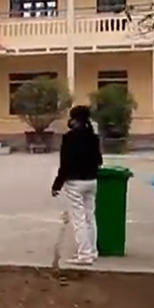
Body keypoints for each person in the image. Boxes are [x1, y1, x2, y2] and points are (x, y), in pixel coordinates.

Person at [50, 105, 103, 265]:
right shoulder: (93, 137)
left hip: (75, 182)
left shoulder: (70, 138)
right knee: (90, 217)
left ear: (74, 120)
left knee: (78, 219)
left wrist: (57, 184)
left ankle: (84, 254)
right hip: (91, 181)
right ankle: (92, 251)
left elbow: (65, 163)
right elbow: (99, 160)